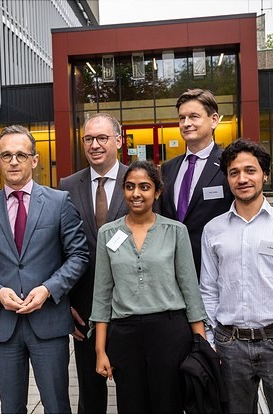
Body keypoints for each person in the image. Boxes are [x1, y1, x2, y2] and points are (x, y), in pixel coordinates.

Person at [0, 125, 88, 414]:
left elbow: (78, 255)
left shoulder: (58, 202)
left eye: (21, 154)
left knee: (57, 405)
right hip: (3, 325)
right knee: (11, 407)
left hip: (49, 323)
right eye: (6, 155)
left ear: (34, 159)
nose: (14, 161)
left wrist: (48, 289)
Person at [199, 139, 273, 413]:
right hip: (229, 345)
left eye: (250, 171)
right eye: (234, 172)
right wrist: (209, 341)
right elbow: (208, 290)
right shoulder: (213, 230)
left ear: (264, 174)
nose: (242, 179)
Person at [90, 160, 207, 413]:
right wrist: (100, 349)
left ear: (157, 192)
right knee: (131, 406)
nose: (136, 194)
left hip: (169, 332)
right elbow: (101, 295)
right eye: (130, 186)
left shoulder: (176, 231)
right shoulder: (108, 234)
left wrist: (201, 347)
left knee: (169, 405)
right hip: (125, 335)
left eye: (144, 187)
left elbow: (190, 291)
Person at [59, 112, 128, 413]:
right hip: (84, 307)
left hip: (131, 304)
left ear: (118, 141)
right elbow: (59, 247)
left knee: (132, 388)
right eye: (89, 138)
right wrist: (66, 304)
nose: (95, 144)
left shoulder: (138, 180)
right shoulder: (67, 185)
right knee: (89, 391)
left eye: (102, 138)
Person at [161, 88, 233, 277]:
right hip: (173, 272)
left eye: (194, 116)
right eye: (182, 118)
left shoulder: (230, 165)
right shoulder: (167, 169)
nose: (186, 123)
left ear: (214, 120)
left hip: (217, 270)